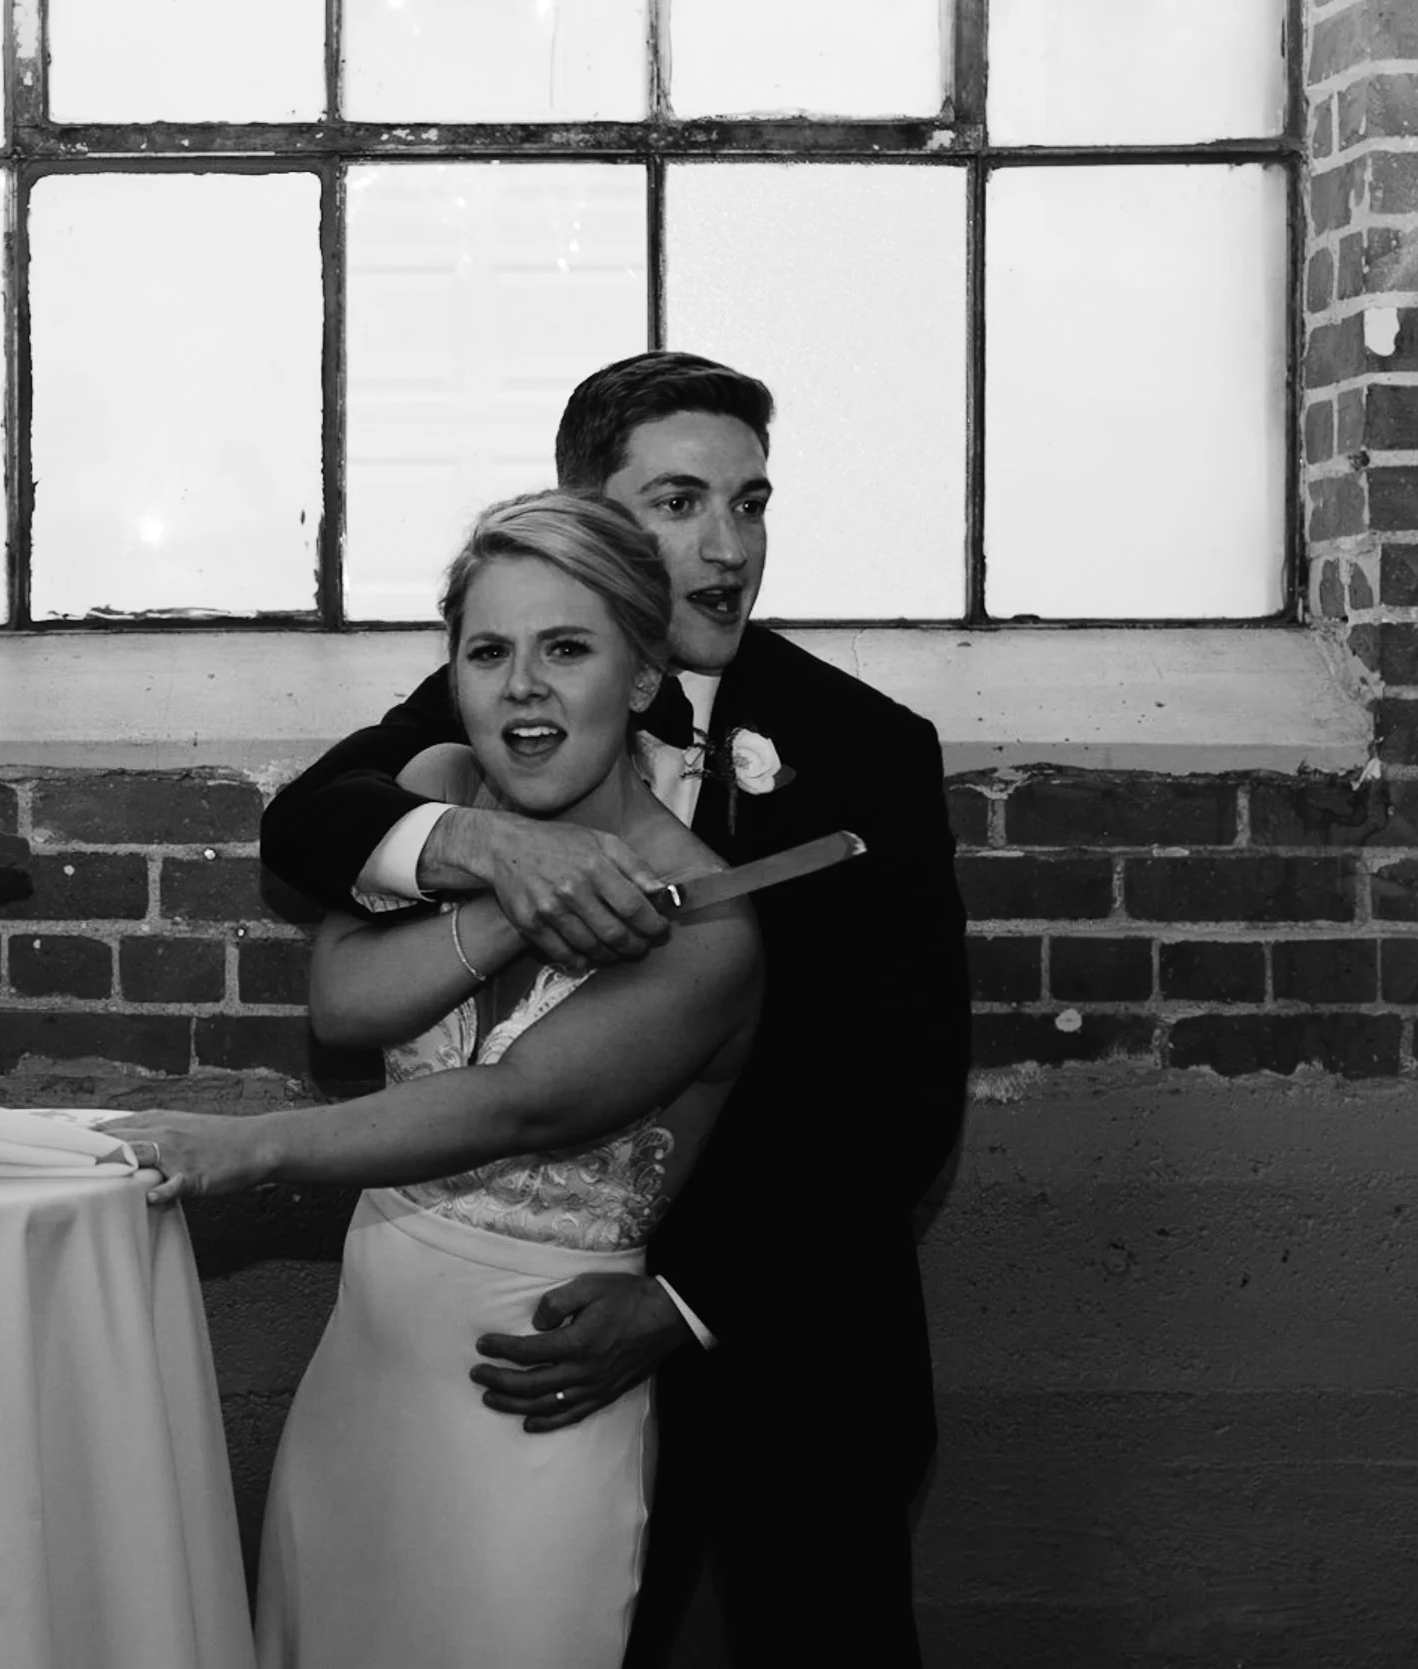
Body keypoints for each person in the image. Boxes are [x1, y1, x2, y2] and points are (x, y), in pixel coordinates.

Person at [252, 351, 970, 1666]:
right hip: (505, 1377)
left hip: (778, 1345)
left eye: (749, 505)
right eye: (680, 502)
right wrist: (482, 849)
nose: (725, 546)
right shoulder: (503, 686)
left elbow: (901, 1093)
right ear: (588, 520)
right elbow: (309, 827)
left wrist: (684, 1298)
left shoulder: (870, 750)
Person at [110, 490, 762, 1669]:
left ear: (644, 675)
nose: (522, 684)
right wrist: (521, 893)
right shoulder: (438, 784)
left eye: (567, 648)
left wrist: (246, 1146)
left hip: (535, 1400)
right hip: (361, 1380)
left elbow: (515, 1102)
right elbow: (344, 1001)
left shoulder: (710, 927)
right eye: (488, 651)